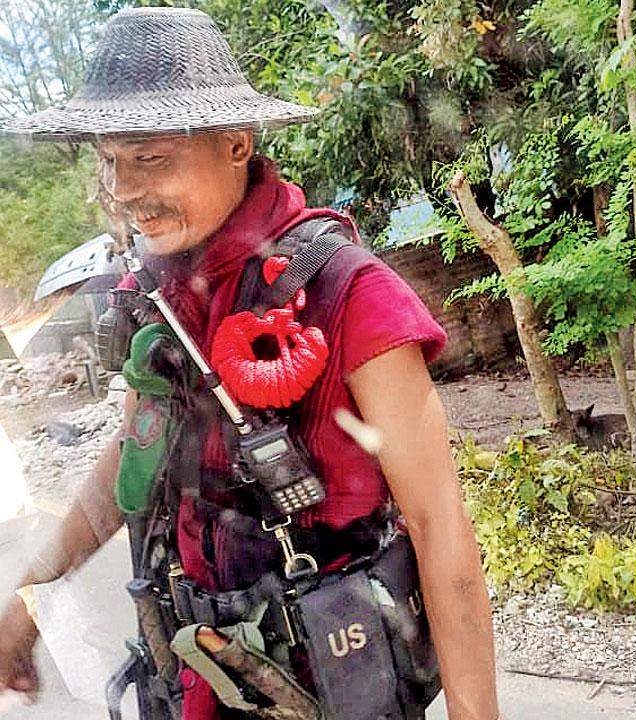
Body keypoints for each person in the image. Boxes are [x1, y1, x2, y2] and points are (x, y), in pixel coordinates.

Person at [0, 7, 500, 720]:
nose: (125, 190)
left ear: (237, 143)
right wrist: (24, 603)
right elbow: (134, 457)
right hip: (191, 680)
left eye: (150, 157)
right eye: (110, 161)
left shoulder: (350, 295)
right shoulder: (159, 296)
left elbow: (440, 527)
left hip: (328, 686)